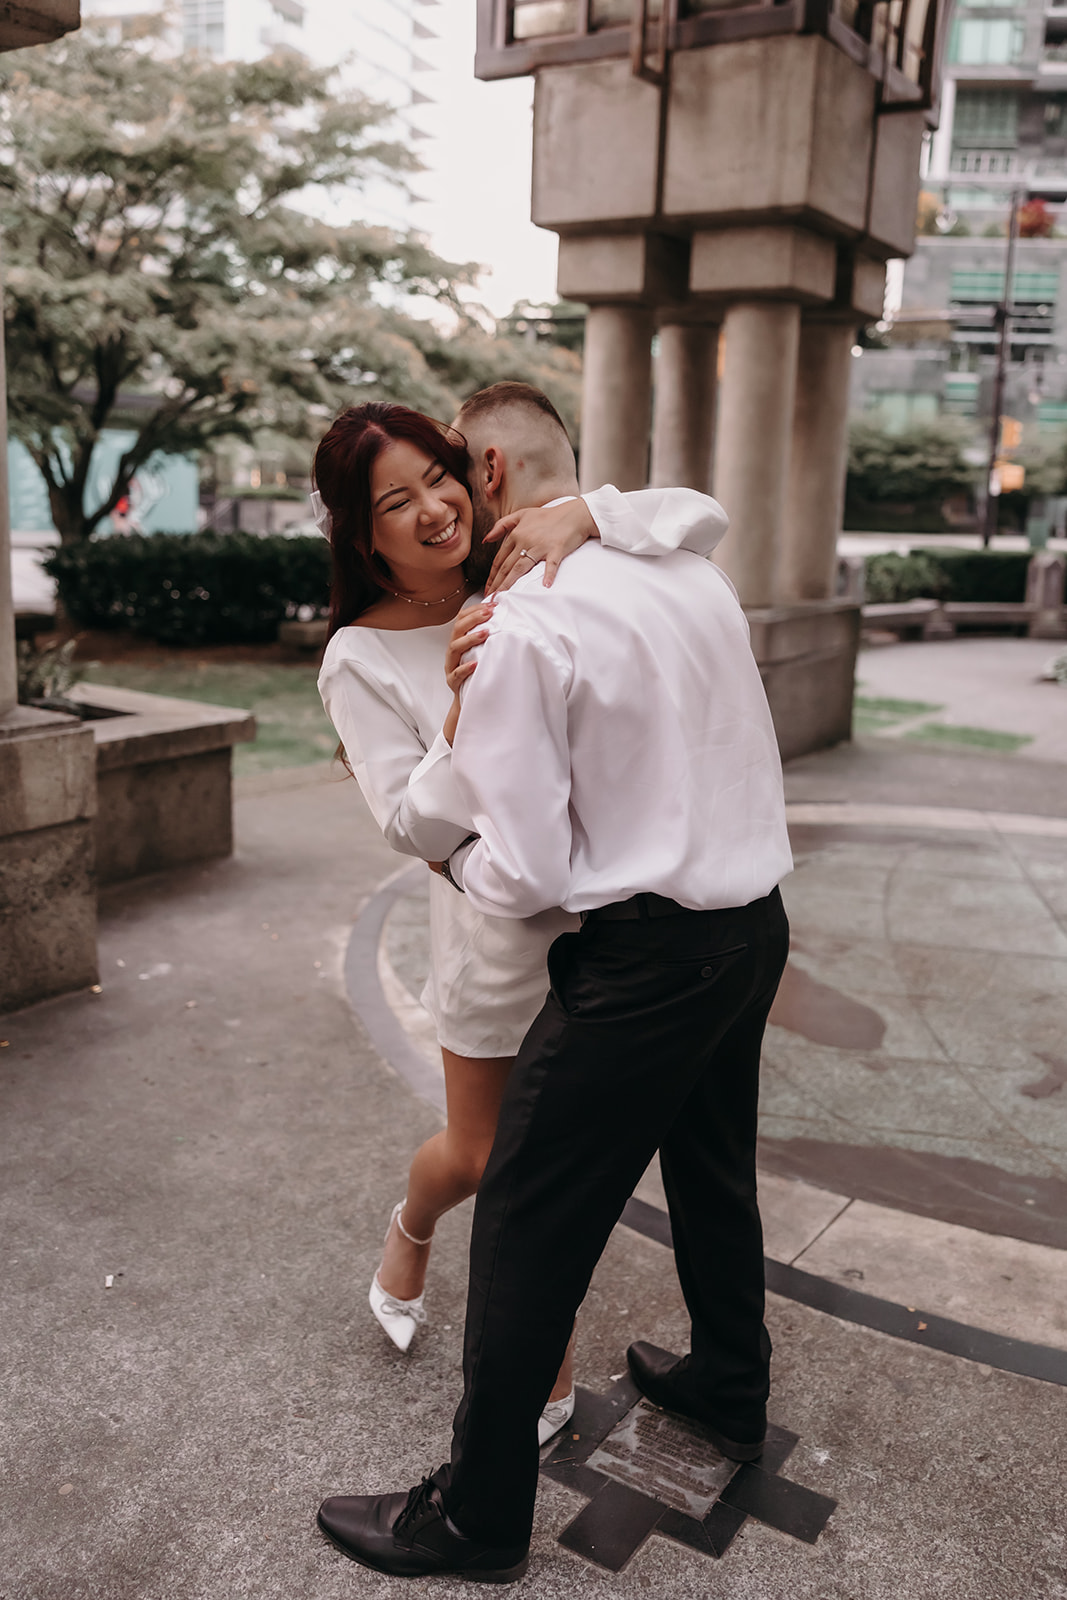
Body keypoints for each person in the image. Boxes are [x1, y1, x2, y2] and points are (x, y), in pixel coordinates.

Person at [315, 381, 793, 1583]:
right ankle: (729, 1387)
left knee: (525, 1228)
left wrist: (480, 847)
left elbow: (522, 873)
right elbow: (688, 512)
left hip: (642, 957)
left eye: (441, 480)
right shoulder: (683, 567)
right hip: (752, 926)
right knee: (710, 1167)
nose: (431, 510)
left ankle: (477, 1518)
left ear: (482, 474)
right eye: (395, 499)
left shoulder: (519, 619)